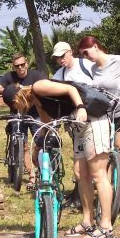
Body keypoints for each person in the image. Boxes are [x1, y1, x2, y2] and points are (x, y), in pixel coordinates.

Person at [15, 78, 116, 238]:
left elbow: (70, 90)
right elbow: (46, 128)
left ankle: (106, 226)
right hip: (80, 129)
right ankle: (87, 221)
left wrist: (81, 107)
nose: (20, 110)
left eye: (17, 105)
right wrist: (36, 149)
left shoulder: (39, 87)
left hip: (94, 120)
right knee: (80, 173)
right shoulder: (40, 103)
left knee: (98, 174)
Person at [76, 35, 120, 220]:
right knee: (105, 160)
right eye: (82, 55)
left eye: (86, 52)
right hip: (105, 115)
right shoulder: (93, 69)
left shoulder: (118, 61)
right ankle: (108, 202)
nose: (86, 57)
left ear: (95, 46)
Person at [50, 41, 97, 210]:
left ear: (70, 52)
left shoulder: (86, 65)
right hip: (75, 122)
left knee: (94, 161)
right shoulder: (59, 75)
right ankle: (79, 194)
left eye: (63, 56)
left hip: (95, 117)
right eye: (57, 58)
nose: (60, 60)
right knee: (80, 162)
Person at [0, 54, 46, 187]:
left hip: (35, 114)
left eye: (22, 64)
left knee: (41, 142)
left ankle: (42, 170)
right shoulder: (9, 76)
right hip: (17, 113)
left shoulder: (36, 75)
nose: (20, 68)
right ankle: (32, 176)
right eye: (17, 66)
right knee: (23, 146)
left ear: (27, 64)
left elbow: (46, 86)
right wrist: (13, 89)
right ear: (14, 67)